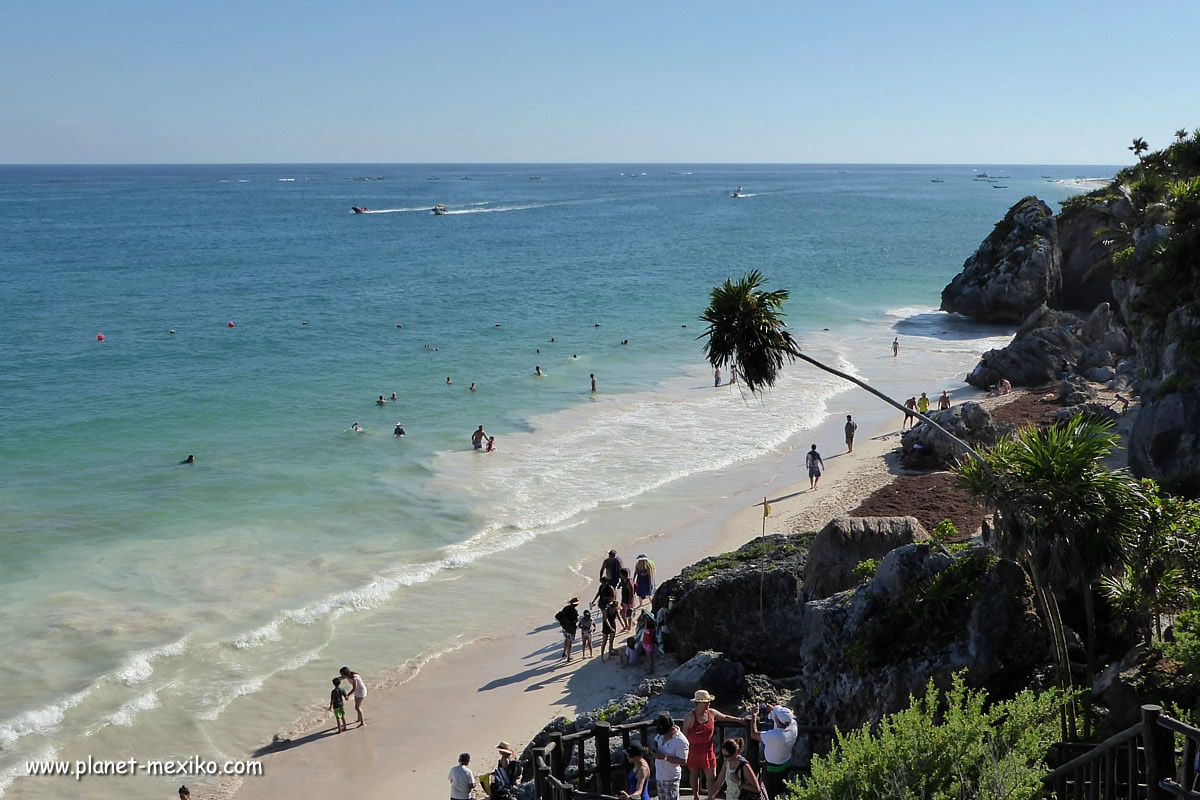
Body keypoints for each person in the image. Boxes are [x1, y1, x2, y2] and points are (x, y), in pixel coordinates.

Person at [683, 690, 744, 800]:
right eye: (706, 702)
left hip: (708, 749)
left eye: (708, 701)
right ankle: (695, 796)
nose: (708, 704)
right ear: (698, 703)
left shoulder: (711, 713)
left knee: (712, 776)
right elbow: (684, 735)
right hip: (694, 749)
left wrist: (739, 720)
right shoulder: (690, 717)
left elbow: (725, 717)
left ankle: (711, 796)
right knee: (694, 774)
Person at [749, 704, 798, 799]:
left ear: (776, 720)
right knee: (782, 788)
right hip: (786, 762)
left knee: (770, 792)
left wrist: (754, 715)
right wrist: (773, 709)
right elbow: (784, 718)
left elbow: (754, 734)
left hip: (773, 768)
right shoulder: (793, 726)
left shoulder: (774, 736)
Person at [652, 713, 690, 800]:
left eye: (664, 733)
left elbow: (683, 761)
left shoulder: (681, 741)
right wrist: (654, 749)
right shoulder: (662, 734)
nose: (663, 735)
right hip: (660, 776)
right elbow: (655, 740)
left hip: (671, 778)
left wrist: (664, 757)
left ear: (672, 729)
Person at [555, 597, 580, 662]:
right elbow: (575, 621)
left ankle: (564, 653)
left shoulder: (566, 608)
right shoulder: (574, 611)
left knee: (566, 639)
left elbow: (562, 615)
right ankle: (569, 657)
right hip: (570, 628)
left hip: (564, 627)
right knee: (570, 643)